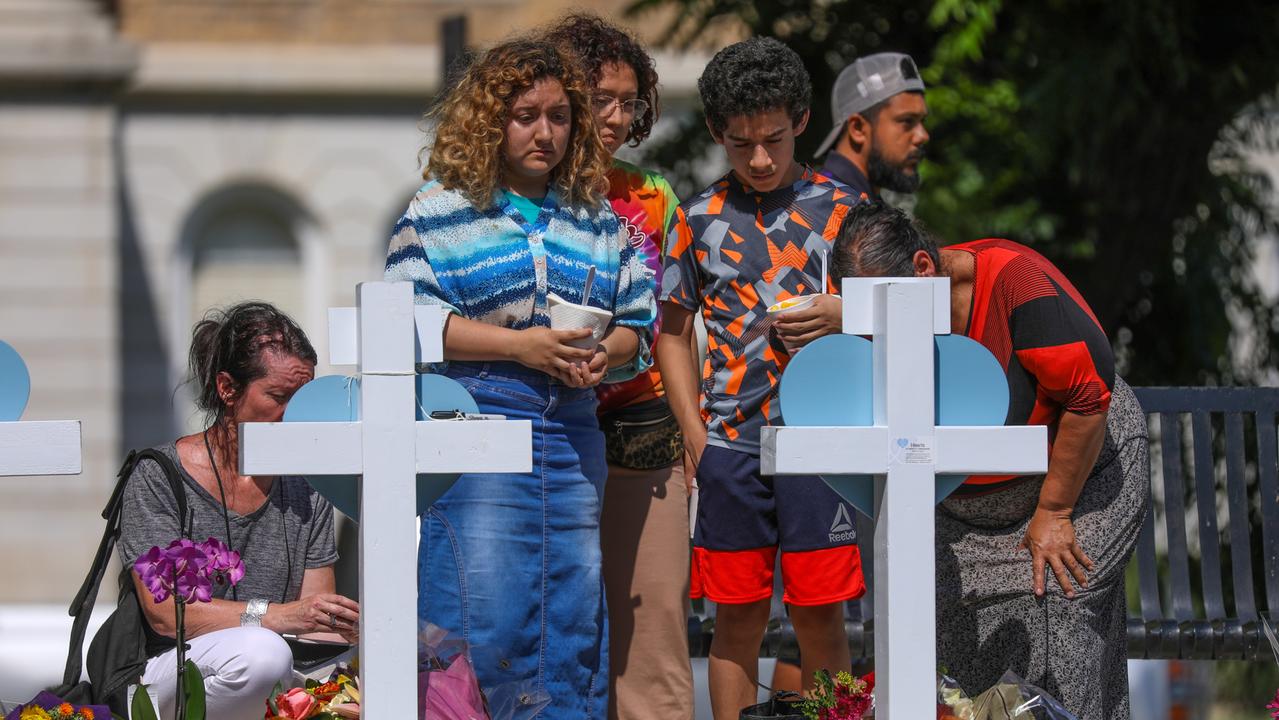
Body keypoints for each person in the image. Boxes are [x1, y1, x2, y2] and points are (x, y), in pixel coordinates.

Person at [384, 38, 655, 718]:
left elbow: (636, 325)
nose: (544, 132)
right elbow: (410, 318)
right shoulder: (438, 211)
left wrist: (605, 355)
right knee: (483, 602)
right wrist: (518, 347)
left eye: (560, 116)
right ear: (489, 119)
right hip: (476, 420)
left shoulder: (596, 219)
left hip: (570, 433)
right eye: (525, 114)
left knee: (570, 606)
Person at [830, 202, 1148, 720]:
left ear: (923, 270)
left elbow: (1089, 398)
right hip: (963, 504)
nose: (870, 336)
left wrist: (1055, 513)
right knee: (943, 636)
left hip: (1079, 474)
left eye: (877, 316)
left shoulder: (1017, 283)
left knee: (1059, 608)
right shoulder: (872, 309)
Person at [659, 37, 865, 719]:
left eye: (773, 139)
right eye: (740, 142)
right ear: (718, 132)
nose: (758, 157)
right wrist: (695, 437)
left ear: (802, 121)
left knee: (820, 624)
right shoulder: (695, 219)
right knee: (735, 624)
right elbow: (671, 333)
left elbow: (908, 307)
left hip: (821, 445)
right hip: (730, 451)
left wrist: (845, 311)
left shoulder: (844, 210)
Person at [544, 14, 693, 720]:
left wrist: (693, 432)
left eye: (628, 101)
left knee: (654, 623)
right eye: (599, 96)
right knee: (556, 619)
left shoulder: (651, 198)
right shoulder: (516, 195)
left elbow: (670, 326)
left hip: (639, 422)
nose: (614, 115)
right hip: (540, 424)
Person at [117, 302, 360, 720]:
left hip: (276, 667)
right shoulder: (158, 475)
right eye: (280, 397)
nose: (295, 415)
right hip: (166, 670)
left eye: (304, 399)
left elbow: (314, 621)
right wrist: (281, 617)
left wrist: (353, 628)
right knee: (261, 654)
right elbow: (164, 614)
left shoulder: (308, 486)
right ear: (228, 389)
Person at [813, 52, 929, 200]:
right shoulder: (824, 210)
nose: (923, 136)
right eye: (907, 121)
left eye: (922, 121)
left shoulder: (854, 203)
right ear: (858, 128)